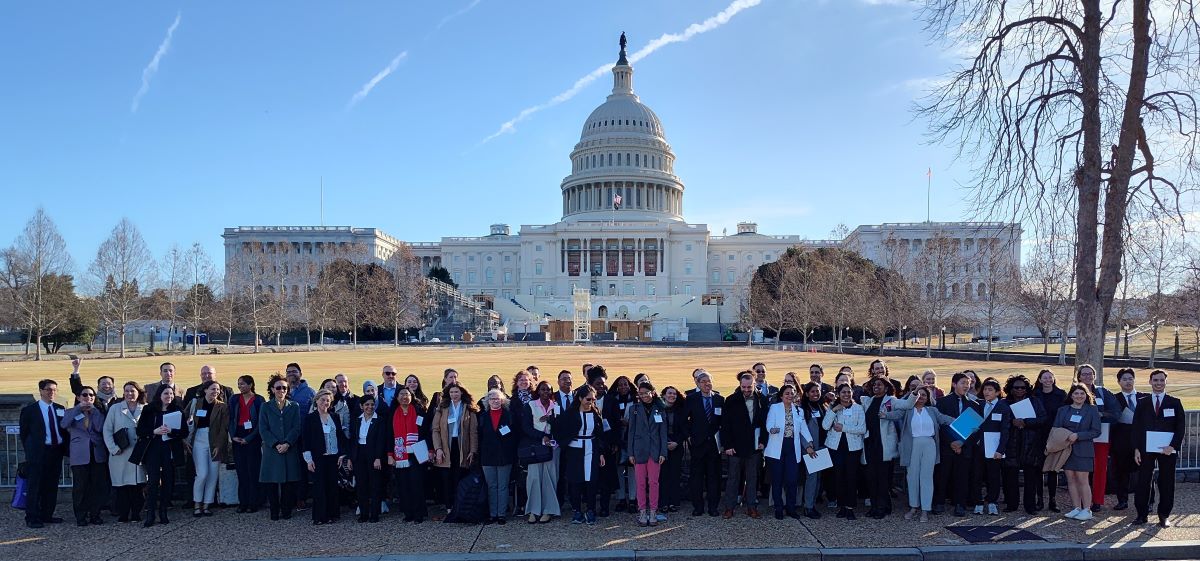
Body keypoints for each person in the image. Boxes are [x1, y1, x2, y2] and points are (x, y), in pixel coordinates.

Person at [879, 387, 949, 522]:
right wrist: (885, 415)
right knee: (912, 477)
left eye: (924, 395)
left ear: (928, 398)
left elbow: (945, 419)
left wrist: (966, 423)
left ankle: (925, 510)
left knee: (927, 477)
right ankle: (913, 507)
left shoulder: (932, 411)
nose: (921, 397)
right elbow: (896, 415)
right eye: (919, 394)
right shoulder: (908, 410)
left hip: (929, 444)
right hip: (912, 445)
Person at [1132, 369, 1186, 528]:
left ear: (1165, 382)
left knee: (1167, 482)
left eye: (1162, 380)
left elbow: (1180, 427)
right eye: (1155, 380)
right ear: (1150, 382)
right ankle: (1141, 514)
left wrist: (1173, 446)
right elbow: (1136, 427)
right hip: (1145, 449)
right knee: (1143, 481)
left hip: (1167, 449)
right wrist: (1135, 448)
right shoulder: (1142, 402)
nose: (1158, 383)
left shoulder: (1175, 402)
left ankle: (1164, 516)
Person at [554, 385, 607, 525]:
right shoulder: (570, 414)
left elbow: (600, 435)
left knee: (591, 481)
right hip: (575, 450)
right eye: (588, 399)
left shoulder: (596, 413)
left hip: (591, 449)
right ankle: (577, 510)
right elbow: (559, 430)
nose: (591, 402)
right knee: (575, 481)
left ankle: (590, 510)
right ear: (580, 398)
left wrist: (601, 453)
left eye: (593, 399)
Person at [136, 385, 188, 527]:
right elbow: (140, 431)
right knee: (153, 482)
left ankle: (163, 512)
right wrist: (154, 431)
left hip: (169, 450)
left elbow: (184, 432)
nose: (169, 396)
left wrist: (172, 431)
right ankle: (150, 513)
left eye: (171, 394)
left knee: (167, 482)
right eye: (166, 393)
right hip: (153, 450)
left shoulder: (177, 410)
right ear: (160, 394)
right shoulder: (149, 409)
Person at [19, 379, 68, 528]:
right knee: (35, 486)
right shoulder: (30, 411)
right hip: (38, 453)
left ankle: (47, 514)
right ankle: (32, 517)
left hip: (56, 451)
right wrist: (30, 452)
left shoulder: (60, 409)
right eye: (48, 389)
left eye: (54, 390)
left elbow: (64, 430)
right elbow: (24, 433)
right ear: (40, 391)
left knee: (51, 485)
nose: (51, 392)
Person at [720, 371, 767, 519]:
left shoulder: (762, 399)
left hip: (754, 447)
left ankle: (751, 507)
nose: (746, 390)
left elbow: (765, 423)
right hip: (735, 447)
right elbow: (725, 425)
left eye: (749, 387)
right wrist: (727, 445)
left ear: (754, 384)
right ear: (740, 385)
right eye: (744, 387)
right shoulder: (731, 400)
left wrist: (762, 442)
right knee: (733, 478)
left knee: (753, 478)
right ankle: (729, 507)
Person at [934, 372, 982, 517]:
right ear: (954, 384)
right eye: (963, 383)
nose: (966, 386)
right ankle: (939, 502)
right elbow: (940, 426)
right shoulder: (942, 402)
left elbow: (975, 429)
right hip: (947, 446)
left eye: (968, 383)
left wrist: (961, 443)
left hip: (964, 448)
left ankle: (960, 504)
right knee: (943, 476)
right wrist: (952, 442)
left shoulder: (974, 405)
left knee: (962, 477)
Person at [1053, 383, 1101, 521]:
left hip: (1084, 450)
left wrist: (1078, 436)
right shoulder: (1063, 410)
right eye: (1076, 393)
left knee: (1082, 480)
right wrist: (1064, 436)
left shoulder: (1091, 410)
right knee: (1071, 479)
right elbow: (1056, 428)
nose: (1079, 396)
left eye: (1082, 393)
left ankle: (1087, 509)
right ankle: (1076, 508)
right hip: (1066, 449)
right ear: (1071, 395)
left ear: (1086, 395)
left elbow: (1096, 431)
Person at [765, 384, 814, 519]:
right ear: (781, 396)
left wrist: (809, 442)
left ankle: (791, 508)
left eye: (792, 393)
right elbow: (769, 423)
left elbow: (803, 428)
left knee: (792, 480)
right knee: (777, 480)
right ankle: (778, 508)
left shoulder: (798, 410)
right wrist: (771, 429)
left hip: (792, 447)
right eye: (787, 393)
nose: (790, 396)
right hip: (777, 448)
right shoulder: (775, 408)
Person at [61, 384, 108, 526]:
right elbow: (64, 424)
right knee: (80, 487)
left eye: (91, 395)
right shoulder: (71, 411)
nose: (88, 398)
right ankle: (80, 516)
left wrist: (94, 411)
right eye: (85, 395)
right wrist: (78, 408)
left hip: (96, 453)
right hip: (80, 454)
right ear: (78, 397)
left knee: (97, 486)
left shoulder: (98, 412)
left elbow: (100, 428)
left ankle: (95, 514)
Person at [1001, 374, 1047, 514]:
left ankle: (1030, 506)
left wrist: (1026, 422)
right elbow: (998, 421)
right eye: (1016, 387)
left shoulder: (1035, 401)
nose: (1020, 390)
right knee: (1011, 477)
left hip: (1030, 443)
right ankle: (1012, 504)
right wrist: (1012, 422)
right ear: (1011, 389)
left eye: (1023, 387)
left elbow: (1043, 419)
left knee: (1030, 477)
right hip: (1011, 444)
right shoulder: (1004, 403)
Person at [1075, 363, 1119, 511]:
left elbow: (1115, 413)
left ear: (1094, 376)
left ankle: (1097, 501)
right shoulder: (1074, 392)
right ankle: (1081, 500)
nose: (1087, 376)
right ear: (1079, 377)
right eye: (1084, 374)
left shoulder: (1103, 393)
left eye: (1090, 374)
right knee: (1081, 469)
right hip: (1081, 436)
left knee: (1100, 469)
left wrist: (1100, 415)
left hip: (1101, 436)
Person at [431, 382, 479, 515]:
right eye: (451, 392)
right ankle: (448, 507)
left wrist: (473, 450)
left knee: (460, 478)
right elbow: (435, 430)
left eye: (456, 392)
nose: (454, 395)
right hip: (446, 447)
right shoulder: (443, 407)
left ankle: (460, 506)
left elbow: (473, 432)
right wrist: (438, 449)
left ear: (462, 392)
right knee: (446, 478)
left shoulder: (468, 408)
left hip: (462, 448)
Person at [185, 380, 231, 517]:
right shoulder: (195, 403)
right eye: (212, 389)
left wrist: (219, 445)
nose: (215, 392)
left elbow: (224, 428)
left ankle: (206, 505)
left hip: (214, 441)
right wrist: (184, 439)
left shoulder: (222, 407)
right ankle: (197, 504)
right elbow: (183, 418)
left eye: (217, 390)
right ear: (205, 390)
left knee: (212, 475)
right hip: (198, 440)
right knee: (202, 474)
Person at [260, 375, 303, 521]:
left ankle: (286, 510)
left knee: (288, 482)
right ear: (272, 389)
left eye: (284, 388)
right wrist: (275, 444)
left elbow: (296, 428)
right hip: (272, 450)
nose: (281, 390)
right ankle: (274, 511)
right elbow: (263, 429)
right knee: (272, 482)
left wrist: (287, 443)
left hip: (289, 448)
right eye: (278, 387)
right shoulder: (265, 407)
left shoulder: (294, 406)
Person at [103, 381, 147, 523]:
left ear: (138, 392)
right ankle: (123, 513)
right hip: (120, 454)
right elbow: (107, 430)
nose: (129, 394)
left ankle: (136, 513)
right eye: (126, 391)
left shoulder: (145, 408)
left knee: (137, 486)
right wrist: (113, 448)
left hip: (139, 453)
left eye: (132, 391)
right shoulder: (115, 409)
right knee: (122, 486)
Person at [626, 381, 667, 526]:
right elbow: (630, 432)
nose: (643, 396)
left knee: (654, 482)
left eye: (646, 393)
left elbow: (663, 433)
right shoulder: (634, 409)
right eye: (641, 393)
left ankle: (653, 511)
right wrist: (630, 452)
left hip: (655, 451)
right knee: (640, 482)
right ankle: (642, 510)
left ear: (652, 392)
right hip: (639, 451)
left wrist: (663, 452)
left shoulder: (660, 409)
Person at [683, 371, 724, 517]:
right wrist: (690, 436)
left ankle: (713, 506)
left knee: (714, 477)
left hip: (714, 446)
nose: (707, 384)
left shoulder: (719, 399)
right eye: (703, 381)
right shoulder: (691, 399)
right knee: (697, 477)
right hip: (698, 445)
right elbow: (684, 420)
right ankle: (698, 507)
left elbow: (723, 422)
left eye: (709, 381)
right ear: (698, 384)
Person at [303, 389, 347, 525]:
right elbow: (306, 441)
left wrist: (342, 455)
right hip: (318, 457)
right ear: (316, 401)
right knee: (319, 487)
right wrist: (309, 460)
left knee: (332, 486)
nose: (325, 403)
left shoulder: (334, 417)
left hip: (333, 457)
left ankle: (332, 514)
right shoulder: (310, 418)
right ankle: (319, 516)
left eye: (328, 400)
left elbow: (340, 436)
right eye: (322, 400)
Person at [860, 377, 902, 519]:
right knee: (871, 477)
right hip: (869, 444)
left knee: (883, 478)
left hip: (884, 445)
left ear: (886, 387)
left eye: (880, 384)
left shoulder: (892, 400)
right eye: (874, 384)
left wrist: (887, 415)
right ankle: (874, 506)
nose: (876, 386)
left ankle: (882, 507)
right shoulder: (869, 400)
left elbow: (903, 410)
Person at [822, 383, 866, 519]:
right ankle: (842, 506)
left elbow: (862, 429)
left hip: (852, 448)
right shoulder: (832, 407)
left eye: (848, 392)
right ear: (838, 394)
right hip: (836, 447)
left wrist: (844, 427)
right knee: (839, 477)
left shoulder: (858, 408)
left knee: (851, 478)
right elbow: (825, 426)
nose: (846, 395)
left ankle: (850, 507)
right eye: (843, 392)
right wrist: (834, 410)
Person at [521, 380, 561, 523]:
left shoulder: (556, 406)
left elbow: (560, 426)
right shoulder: (530, 406)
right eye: (543, 390)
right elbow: (526, 427)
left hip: (552, 447)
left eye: (548, 390)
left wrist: (550, 420)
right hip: (536, 447)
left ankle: (548, 510)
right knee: (534, 478)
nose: (546, 392)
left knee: (550, 478)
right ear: (538, 391)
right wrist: (541, 436)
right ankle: (533, 510)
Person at [389, 387, 429, 523]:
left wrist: (430, 450)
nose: (404, 397)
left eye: (407, 394)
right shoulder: (392, 413)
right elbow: (388, 436)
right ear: (397, 397)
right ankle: (408, 513)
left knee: (416, 484)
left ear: (411, 396)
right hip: (400, 454)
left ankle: (419, 514)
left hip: (417, 452)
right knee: (403, 485)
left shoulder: (419, 411)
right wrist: (390, 454)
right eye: (401, 394)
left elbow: (426, 432)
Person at [478, 388, 517, 524]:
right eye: (492, 399)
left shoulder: (509, 415)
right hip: (487, 457)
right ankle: (493, 514)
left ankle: (501, 514)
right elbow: (479, 437)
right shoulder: (482, 417)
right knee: (491, 486)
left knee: (503, 486)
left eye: (497, 398)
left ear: (502, 400)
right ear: (488, 401)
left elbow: (514, 436)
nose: (495, 401)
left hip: (505, 456)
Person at [974, 377, 1012, 515]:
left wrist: (1000, 450)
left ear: (997, 392)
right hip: (978, 447)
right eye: (985, 389)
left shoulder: (1003, 407)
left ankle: (992, 502)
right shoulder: (979, 405)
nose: (986, 392)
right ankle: (978, 502)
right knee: (977, 475)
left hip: (994, 448)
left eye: (990, 390)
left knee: (993, 476)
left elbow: (1005, 430)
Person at [349, 393, 388, 523]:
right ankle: (364, 513)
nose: (370, 407)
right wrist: (351, 457)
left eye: (372, 404)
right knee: (361, 485)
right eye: (366, 405)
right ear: (361, 406)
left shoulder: (380, 420)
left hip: (374, 454)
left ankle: (375, 514)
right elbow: (353, 440)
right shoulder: (356, 420)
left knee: (375, 484)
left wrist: (378, 458)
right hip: (359, 454)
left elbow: (381, 440)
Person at [229, 374, 265, 513]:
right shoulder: (234, 399)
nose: (240, 386)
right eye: (239, 384)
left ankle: (254, 502)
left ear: (250, 385)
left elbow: (260, 423)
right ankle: (242, 502)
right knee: (241, 471)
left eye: (243, 384)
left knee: (253, 471)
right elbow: (231, 418)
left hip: (253, 438)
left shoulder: (258, 400)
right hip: (238, 435)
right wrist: (233, 436)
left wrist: (249, 438)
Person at [1110, 368, 1144, 511]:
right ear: (1119, 382)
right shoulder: (1114, 399)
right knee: (1121, 472)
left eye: (1130, 378)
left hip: (1142, 441)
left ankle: (1147, 501)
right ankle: (1122, 500)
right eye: (1124, 379)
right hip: (1121, 440)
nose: (1128, 381)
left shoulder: (1144, 397)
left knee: (1145, 472)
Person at [600, 371, 634, 515]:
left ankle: (633, 498)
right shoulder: (612, 400)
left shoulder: (636, 400)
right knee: (618, 468)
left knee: (632, 469)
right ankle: (621, 498)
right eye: (620, 385)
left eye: (625, 384)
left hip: (632, 438)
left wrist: (629, 423)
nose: (623, 387)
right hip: (616, 438)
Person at [1033, 368, 1067, 512]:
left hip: (1055, 435)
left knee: (1053, 469)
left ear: (1053, 379)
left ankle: (1053, 500)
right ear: (1040, 380)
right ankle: (1039, 499)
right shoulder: (1034, 395)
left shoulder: (1061, 395)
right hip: (1038, 434)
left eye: (1050, 377)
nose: (1047, 380)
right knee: (1039, 468)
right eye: (1044, 378)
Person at [799, 382, 829, 518]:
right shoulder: (802, 409)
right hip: (811, 448)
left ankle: (812, 503)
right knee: (811, 478)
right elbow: (800, 430)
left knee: (818, 478)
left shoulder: (823, 406)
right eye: (812, 392)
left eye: (817, 391)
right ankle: (808, 507)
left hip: (822, 446)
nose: (816, 394)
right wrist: (808, 447)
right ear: (806, 394)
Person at [659, 385, 686, 514]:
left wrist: (677, 442)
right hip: (661, 447)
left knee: (675, 475)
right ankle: (663, 502)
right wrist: (663, 443)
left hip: (676, 446)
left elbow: (685, 430)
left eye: (674, 394)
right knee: (663, 475)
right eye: (669, 393)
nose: (672, 396)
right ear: (664, 395)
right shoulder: (658, 409)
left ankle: (674, 502)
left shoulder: (680, 410)